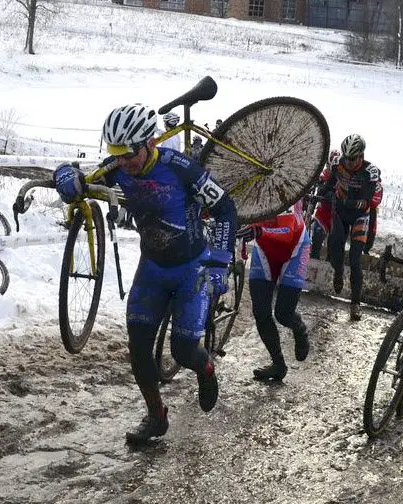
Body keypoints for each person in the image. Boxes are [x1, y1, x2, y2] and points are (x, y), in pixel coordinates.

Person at [53, 104, 237, 444]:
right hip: (152, 267)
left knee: (183, 350)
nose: (123, 161)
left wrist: (220, 262)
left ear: (149, 143)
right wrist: (64, 175)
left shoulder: (182, 169)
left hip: (190, 269)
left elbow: (225, 209)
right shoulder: (116, 168)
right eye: (115, 154)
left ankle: (205, 368)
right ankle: (156, 417)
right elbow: (76, 176)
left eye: (129, 154)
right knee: (137, 348)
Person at [235, 201, 311, 381]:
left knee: (283, 315)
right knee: (260, 312)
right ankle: (278, 364)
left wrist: (259, 232)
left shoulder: (285, 192)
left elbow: (287, 233)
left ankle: (299, 328)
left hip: (294, 249)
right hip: (265, 249)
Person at [323, 134, 380, 321]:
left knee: (355, 259)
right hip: (340, 212)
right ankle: (338, 271)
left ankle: (355, 303)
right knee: (335, 246)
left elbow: (369, 202)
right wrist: (325, 190)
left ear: (361, 156)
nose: (348, 162)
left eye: (353, 158)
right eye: (346, 158)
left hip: (360, 216)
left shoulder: (370, 173)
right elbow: (329, 182)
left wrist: (348, 201)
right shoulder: (336, 163)